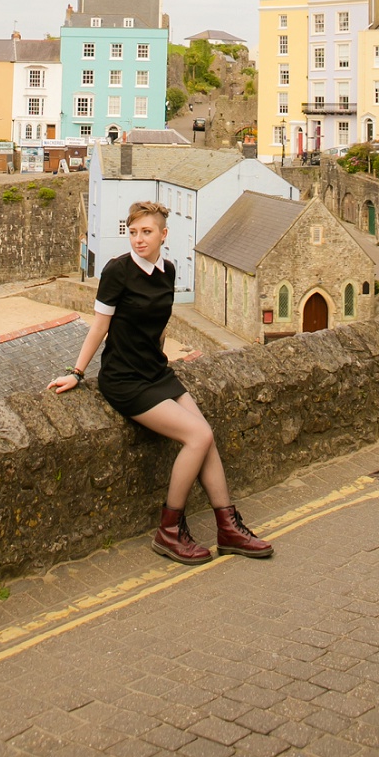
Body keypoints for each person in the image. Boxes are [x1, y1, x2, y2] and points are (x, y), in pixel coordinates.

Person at [47, 199, 273, 566]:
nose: (138, 239)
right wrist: (76, 373)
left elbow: (159, 325)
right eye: (132, 232)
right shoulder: (116, 272)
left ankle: (228, 528)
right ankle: (169, 531)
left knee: (206, 434)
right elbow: (99, 328)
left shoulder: (167, 270)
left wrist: (160, 358)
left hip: (156, 371)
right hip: (124, 379)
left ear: (163, 235)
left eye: (146, 232)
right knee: (196, 436)